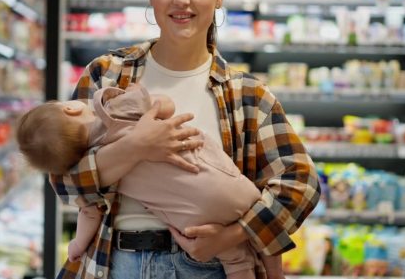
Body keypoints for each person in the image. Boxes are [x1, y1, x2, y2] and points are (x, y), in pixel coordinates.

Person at [51, 0, 321, 279]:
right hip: (113, 263)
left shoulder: (246, 94)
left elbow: (301, 184)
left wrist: (233, 235)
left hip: (210, 267)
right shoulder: (107, 75)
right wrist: (137, 147)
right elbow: (62, 177)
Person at [17, 83, 283, 279]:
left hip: (190, 221)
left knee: (236, 259)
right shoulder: (112, 109)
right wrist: (141, 121)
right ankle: (276, 274)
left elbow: (86, 207)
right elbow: (166, 105)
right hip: (222, 183)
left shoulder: (92, 162)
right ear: (72, 108)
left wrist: (76, 244)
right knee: (264, 233)